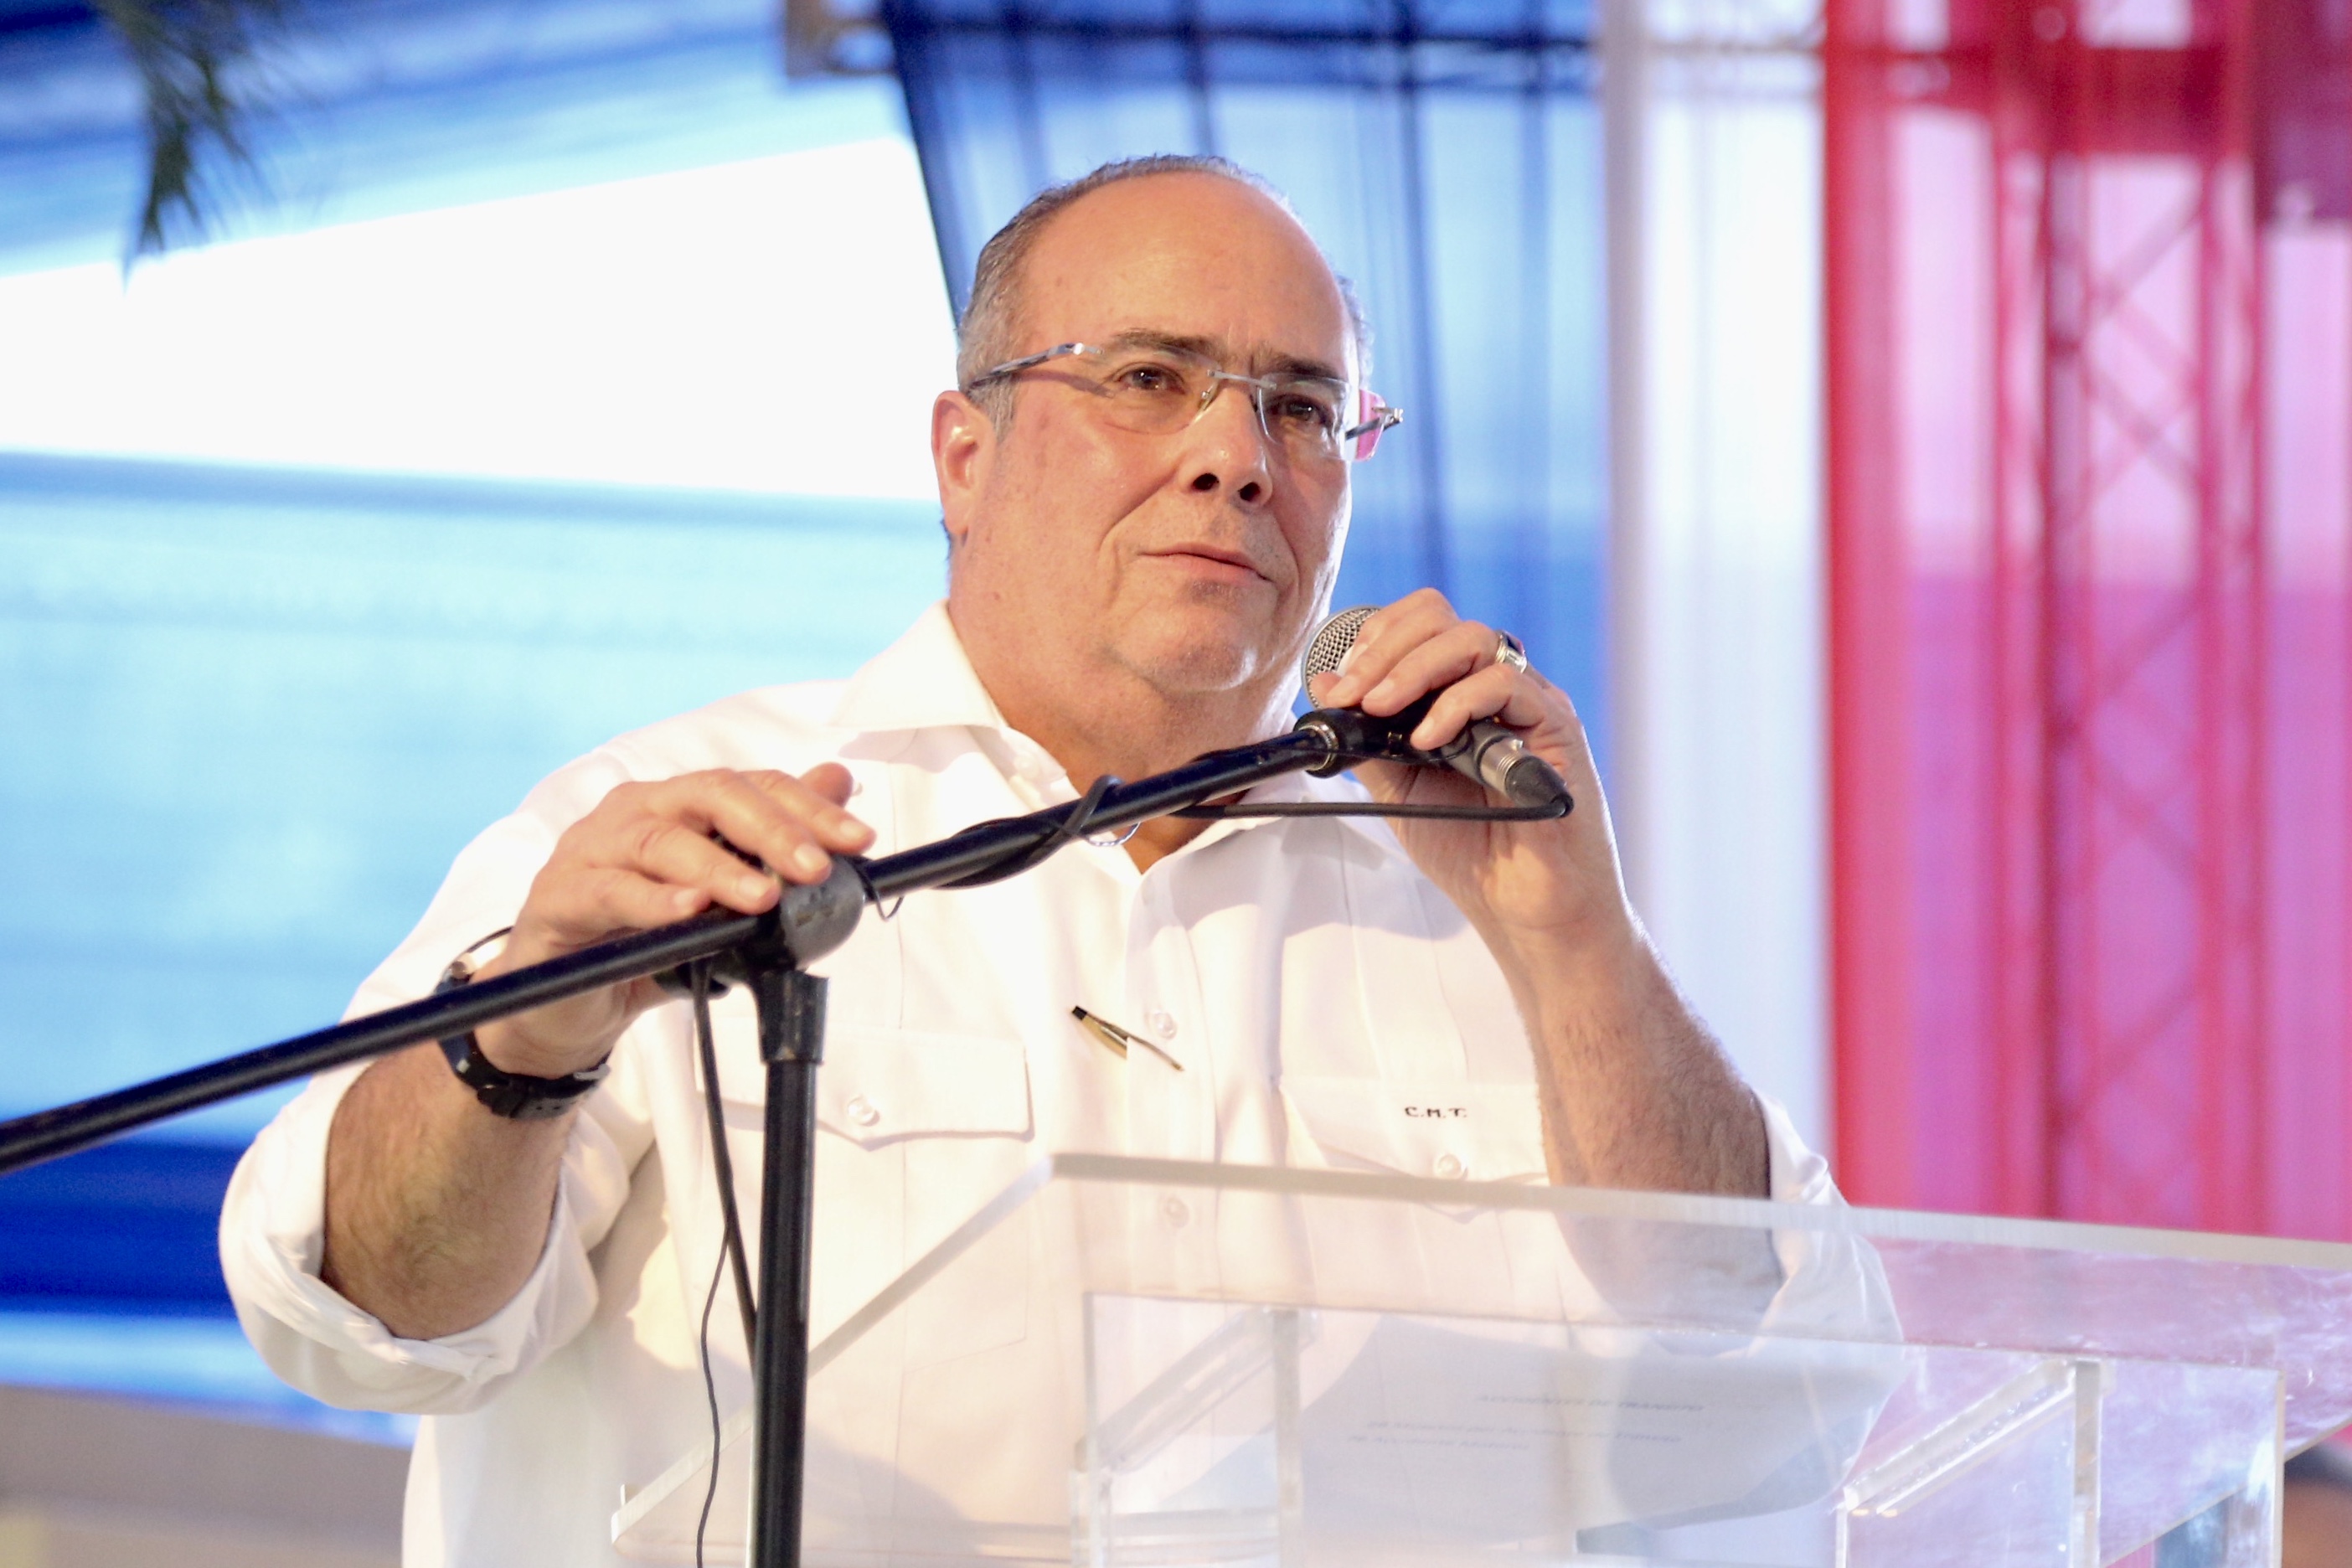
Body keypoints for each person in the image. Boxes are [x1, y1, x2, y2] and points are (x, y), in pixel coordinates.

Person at [220, 154, 1844, 1567]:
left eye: (1301, 408)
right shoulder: (672, 830)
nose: (1237, 456)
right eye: (1147, 377)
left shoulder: (1493, 905)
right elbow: (364, 1319)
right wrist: (524, 1035)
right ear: (963, 456)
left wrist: (1576, 942)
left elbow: (1780, 1396)